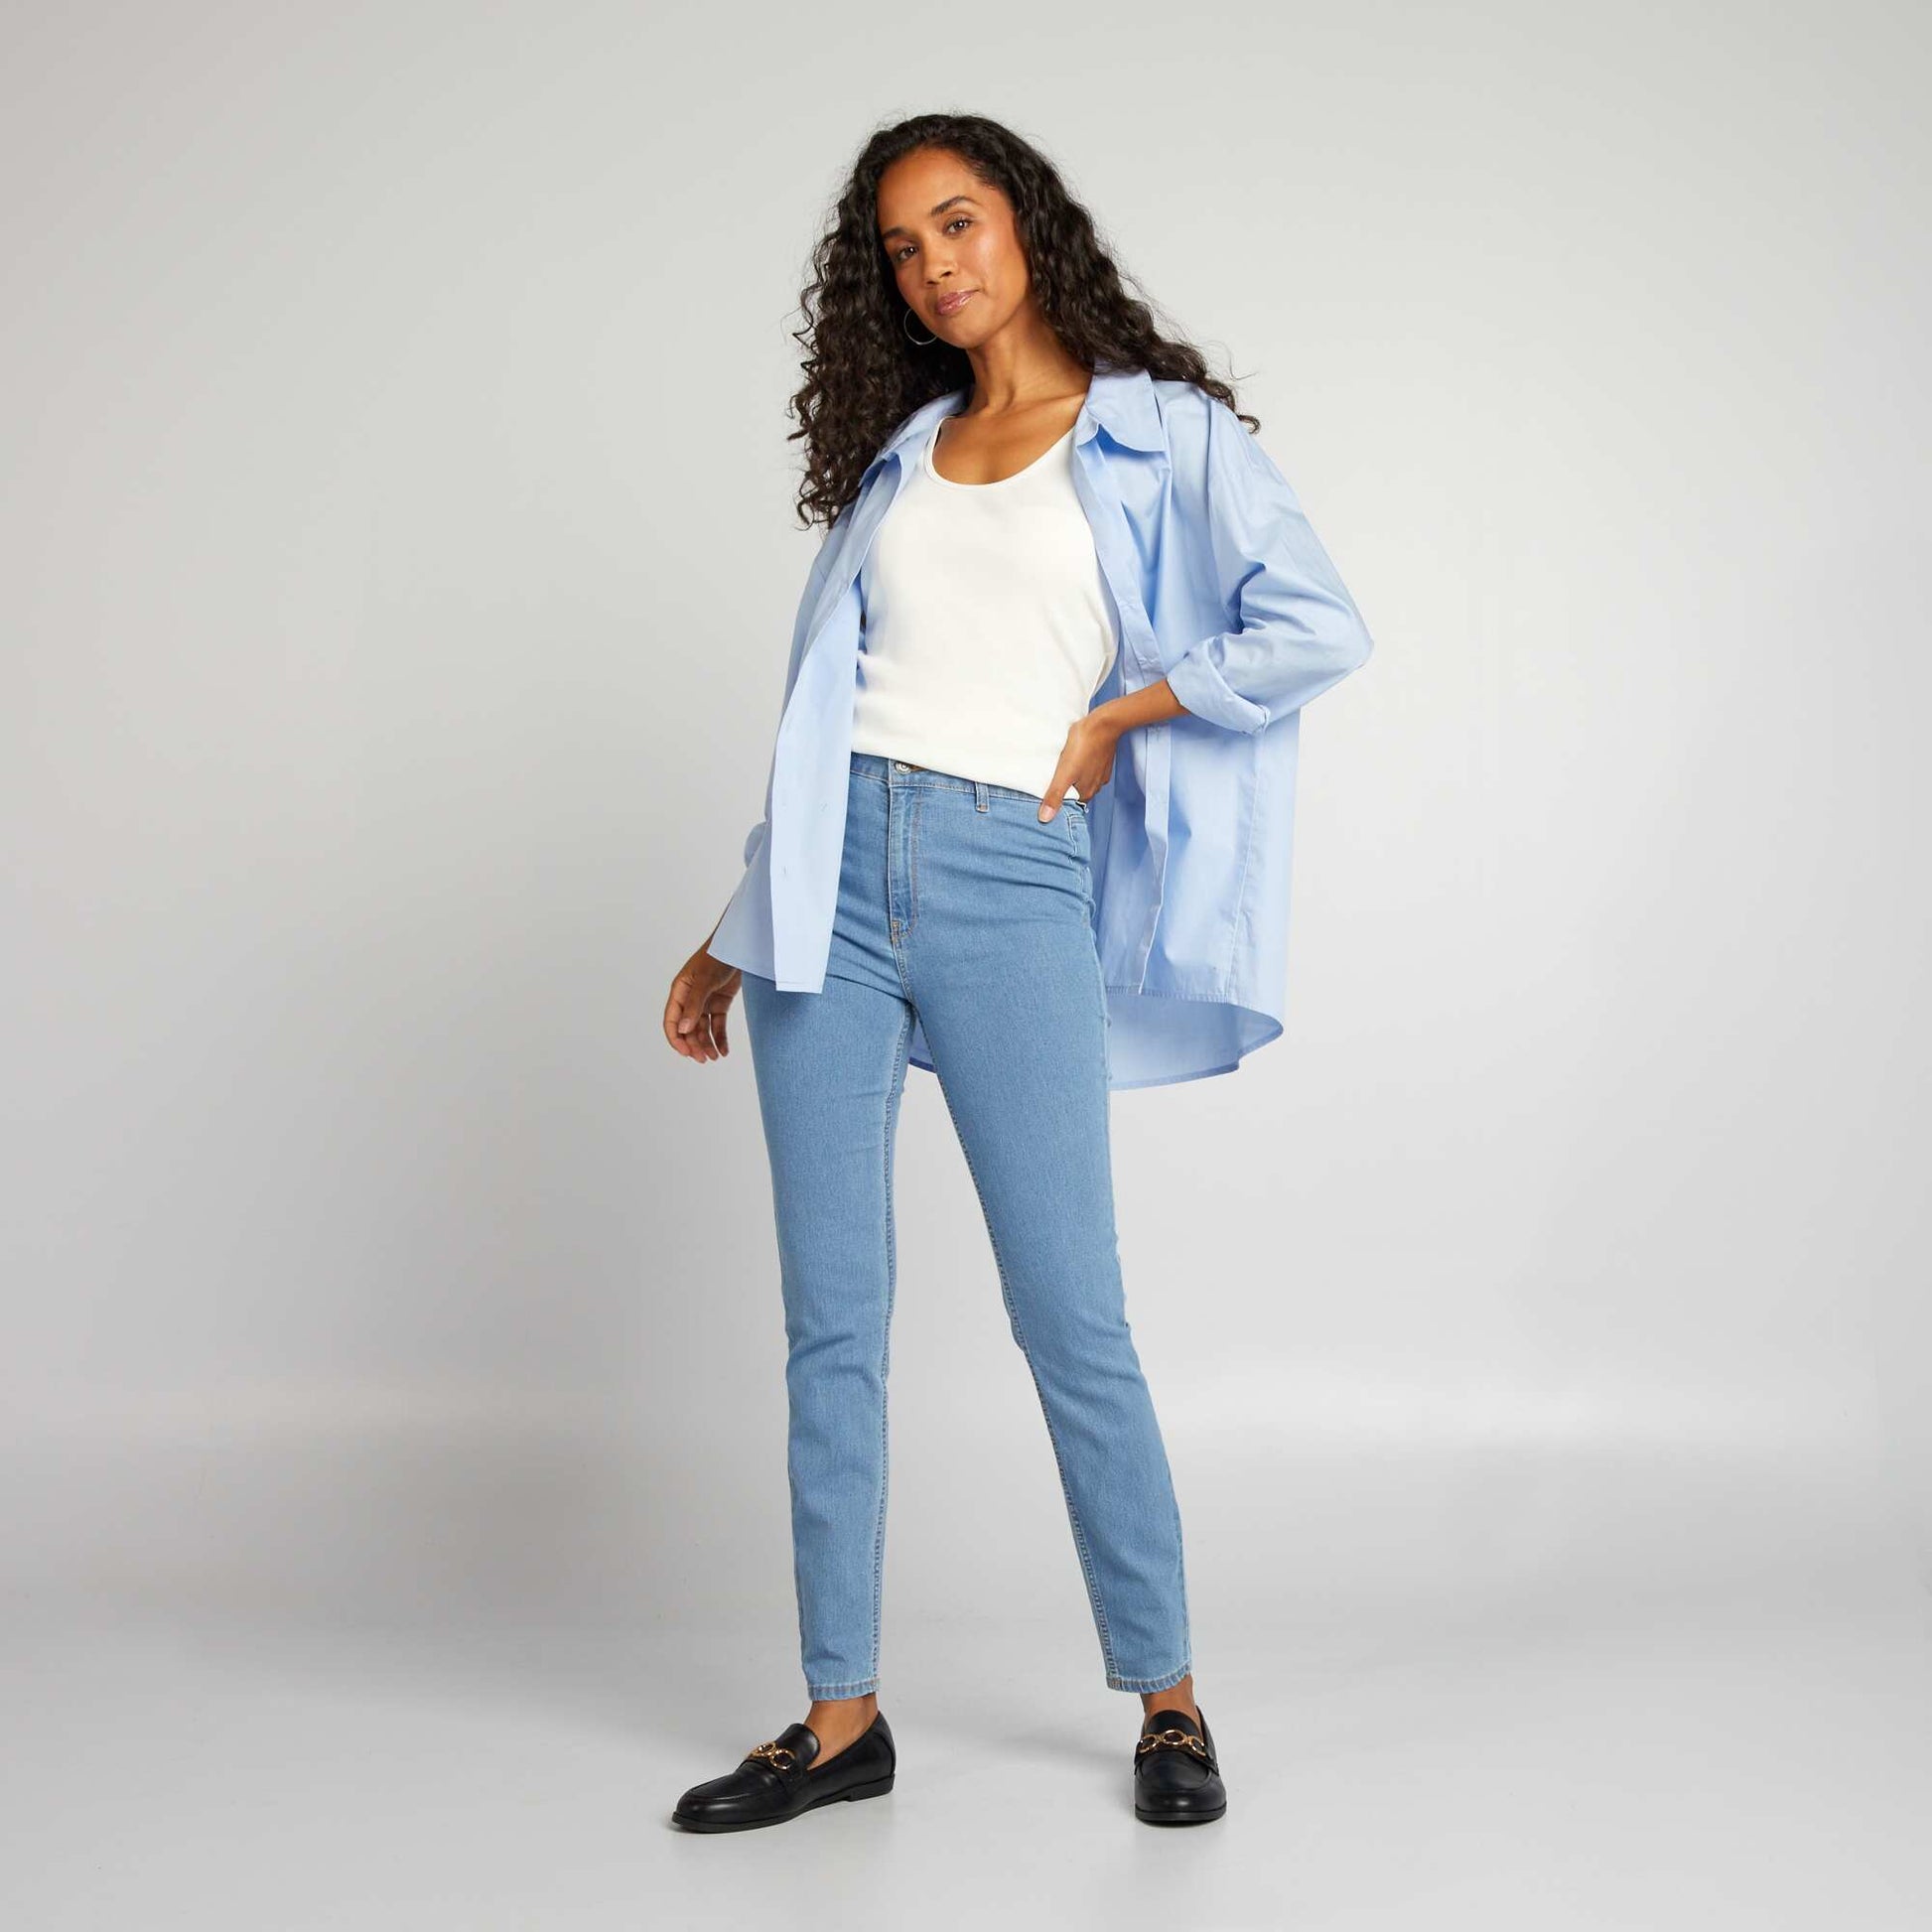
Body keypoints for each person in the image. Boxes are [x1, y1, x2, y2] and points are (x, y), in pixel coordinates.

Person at [663, 111, 1373, 1834]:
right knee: (833, 1318)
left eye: (958, 221)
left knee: (1070, 1309)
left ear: (1026, 224)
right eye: (902, 248)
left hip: (1008, 873)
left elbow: (1314, 623)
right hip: (829, 887)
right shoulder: (902, 457)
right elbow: (831, 708)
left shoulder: (1159, 436)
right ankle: (840, 1715)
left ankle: (1168, 1696)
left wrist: (1131, 710)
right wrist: (739, 919)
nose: (935, 265)